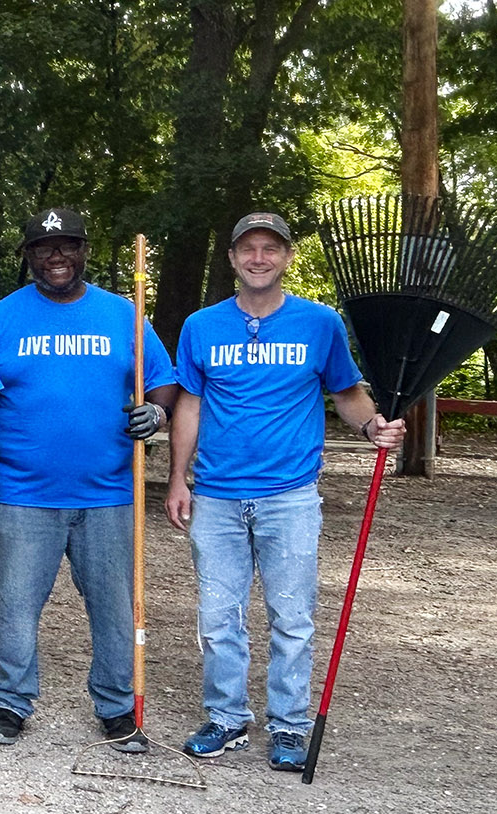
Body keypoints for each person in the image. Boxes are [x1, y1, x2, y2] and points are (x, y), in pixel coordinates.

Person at [166, 212, 406, 770]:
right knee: (219, 614)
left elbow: (347, 393)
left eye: (269, 248)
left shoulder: (319, 324)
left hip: (290, 495)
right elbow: (191, 405)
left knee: (292, 616)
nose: (258, 258)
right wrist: (179, 478)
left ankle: (290, 726)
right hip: (218, 495)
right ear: (231, 258)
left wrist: (374, 427)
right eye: (247, 248)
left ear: (286, 257)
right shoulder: (202, 326)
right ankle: (226, 719)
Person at [0, 207, 177, 751]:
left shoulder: (124, 316)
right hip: (22, 494)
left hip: (109, 492)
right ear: (29, 256)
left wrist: (156, 415)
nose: (57, 256)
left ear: (85, 250)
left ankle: (115, 706)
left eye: (67, 246)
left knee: (114, 606)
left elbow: (162, 385)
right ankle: (12, 702)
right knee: (15, 605)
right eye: (44, 247)